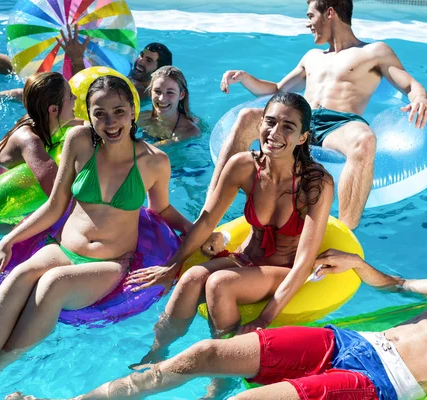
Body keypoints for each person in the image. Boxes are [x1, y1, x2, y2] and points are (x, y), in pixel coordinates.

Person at [9, 205, 427, 400]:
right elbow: (399, 285)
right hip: (353, 342)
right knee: (203, 356)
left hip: (380, 384)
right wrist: (359, 268)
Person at [0, 75, 194, 400]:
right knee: (20, 275)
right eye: (99, 113)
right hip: (63, 249)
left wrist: (195, 230)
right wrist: (10, 239)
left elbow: (163, 210)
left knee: (53, 284)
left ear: (132, 111)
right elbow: (55, 204)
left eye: (118, 111)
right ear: (89, 115)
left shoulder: (154, 161)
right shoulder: (78, 140)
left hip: (109, 263)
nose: (110, 121)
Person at [129, 92, 334, 366]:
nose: (274, 133)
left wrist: (264, 319)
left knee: (219, 283)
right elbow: (206, 221)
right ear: (260, 124)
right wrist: (171, 266)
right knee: (190, 278)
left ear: (302, 137)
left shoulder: (316, 183)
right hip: (245, 258)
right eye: (270, 122)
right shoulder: (244, 166)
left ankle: (221, 373)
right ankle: (156, 355)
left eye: (288, 127)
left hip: (283, 269)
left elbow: (304, 261)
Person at [213, 0, 427, 230]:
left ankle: (343, 234)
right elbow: (279, 90)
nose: (308, 24)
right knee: (247, 116)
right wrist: (245, 78)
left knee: (365, 140)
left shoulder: (374, 52)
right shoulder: (312, 57)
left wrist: (420, 99)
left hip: (340, 124)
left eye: (310, 16)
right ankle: (211, 205)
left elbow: (410, 85)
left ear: (330, 13)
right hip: (301, 119)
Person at [0, 18, 172, 102]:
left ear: (158, 72)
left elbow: (79, 94)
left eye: (149, 61)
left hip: (75, 101)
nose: (141, 60)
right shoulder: (126, 64)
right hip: (79, 80)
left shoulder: (143, 90)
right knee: (25, 69)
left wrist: (76, 59)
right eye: (142, 54)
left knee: (26, 89)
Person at [0, 72, 77, 195]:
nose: (76, 98)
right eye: (70, 95)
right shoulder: (29, 141)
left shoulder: (43, 118)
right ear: (53, 109)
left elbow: (86, 124)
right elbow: (56, 192)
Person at [137, 66, 200, 143]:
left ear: (181, 95)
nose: (161, 99)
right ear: (150, 92)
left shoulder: (189, 131)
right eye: (157, 91)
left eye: (170, 92)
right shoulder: (141, 117)